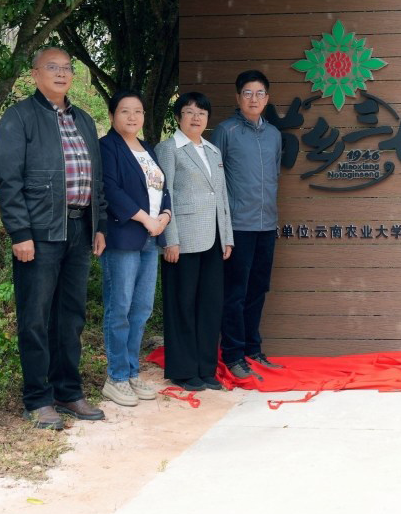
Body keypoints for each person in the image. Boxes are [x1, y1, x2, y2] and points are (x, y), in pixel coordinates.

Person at [0, 47, 108, 430]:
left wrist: (99, 226)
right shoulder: (19, 117)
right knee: (35, 318)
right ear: (35, 74)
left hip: (79, 229)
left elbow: (97, 178)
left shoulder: (84, 120)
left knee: (71, 316)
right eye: (52, 67)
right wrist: (20, 232)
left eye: (67, 68)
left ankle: (68, 391)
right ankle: (38, 398)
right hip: (39, 233)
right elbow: (8, 180)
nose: (61, 74)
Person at [97, 90, 172, 407]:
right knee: (120, 308)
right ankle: (115, 377)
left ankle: (131, 372)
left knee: (141, 309)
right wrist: (145, 219)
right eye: (125, 111)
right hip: (123, 237)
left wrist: (165, 215)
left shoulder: (148, 149)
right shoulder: (107, 146)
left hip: (150, 238)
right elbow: (111, 190)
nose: (132, 116)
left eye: (138, 111)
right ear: (113, 115)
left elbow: (162, 188)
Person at [156, 91, 234, 391]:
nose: (196, 117)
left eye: (201, 112)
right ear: (178, 117)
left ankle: (205, 368)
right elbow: (164, 196)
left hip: (213, 239)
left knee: (209, 305)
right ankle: (183, 370)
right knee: (182, 305)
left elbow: (221, 197)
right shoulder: (169, 149)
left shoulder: (213, 151)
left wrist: (227, 237)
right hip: (183, 240)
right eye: (189, 112)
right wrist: (170, 239)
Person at [211, 69, 284, 383]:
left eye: (259, 93)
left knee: (258, 290)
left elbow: (275, 174)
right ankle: (233, 354)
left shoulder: (274, 135)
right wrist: (223, 226)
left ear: (267, 98)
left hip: (266, 224)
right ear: (238, 97)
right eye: (247, 93)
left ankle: (253, 349)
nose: (254, 99)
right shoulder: (225, 131)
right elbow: (215, 181)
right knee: (235, 293)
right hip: (237, 226)